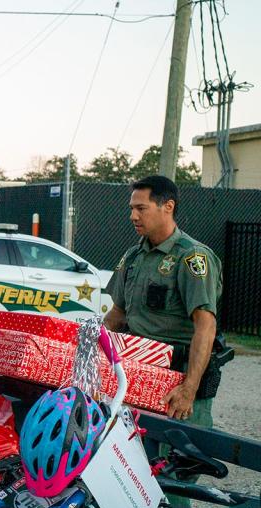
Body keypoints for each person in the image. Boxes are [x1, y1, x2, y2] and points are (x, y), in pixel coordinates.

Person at [104, 175, 224, 428]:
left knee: (182, 455)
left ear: (167, 207)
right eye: (132, 209)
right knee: (136, 453)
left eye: (141, 208)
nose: (133, 216)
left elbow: (206, 327)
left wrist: (188, 389)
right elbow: (117, 314)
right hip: (137, 370)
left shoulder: (192, 257)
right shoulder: (134, 255)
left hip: (177, 375)